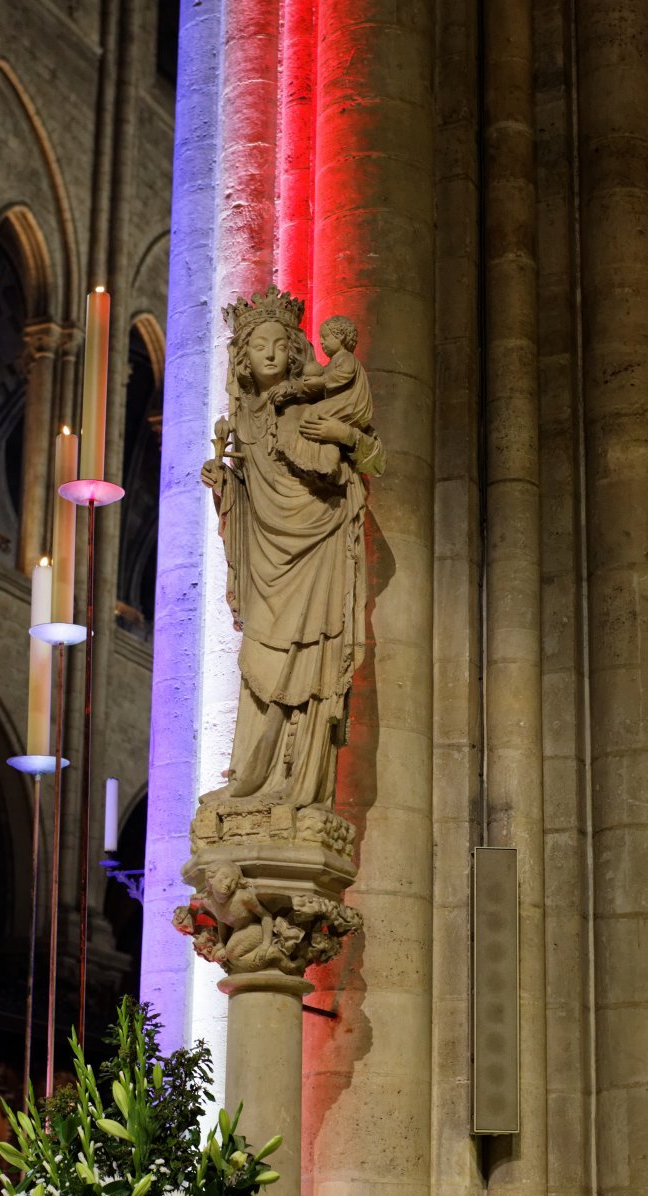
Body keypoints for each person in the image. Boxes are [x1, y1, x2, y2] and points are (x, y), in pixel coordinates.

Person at [200, 286, 385, 809]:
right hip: (266, 562)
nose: (271, 353)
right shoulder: (243, 423)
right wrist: (224, 485)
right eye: (259, 344)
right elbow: (250, 496)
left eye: (281, 343)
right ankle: (250, 782)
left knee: (312, 665)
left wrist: (345, 439)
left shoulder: (318, 402)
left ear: (296, 350)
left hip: (318, 546)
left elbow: (374, 461)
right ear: (242, 358)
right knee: (258, 660)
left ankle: (300, 791)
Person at [269, 314, 374, 480]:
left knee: (313, 414)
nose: (322, 342)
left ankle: (317, 461)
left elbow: (339, 376)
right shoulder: (333, 363)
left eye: (325, 338)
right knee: (313, 416)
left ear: (340, 336)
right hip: (342, 404)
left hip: (350, 404)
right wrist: (293, 387)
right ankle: (312, 459)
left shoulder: (346, 358)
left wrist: (320, 381)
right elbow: (310, 386)